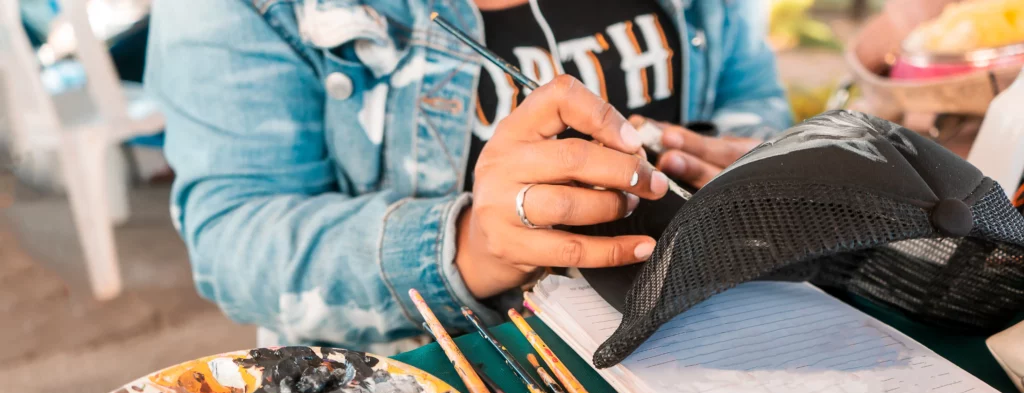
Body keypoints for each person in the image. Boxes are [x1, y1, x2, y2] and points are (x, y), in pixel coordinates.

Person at [145, 0, 791, 353]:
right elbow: (235, 235)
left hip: (702, 342)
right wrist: (464, 246)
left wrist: (747, 160)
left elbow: (754, 92)